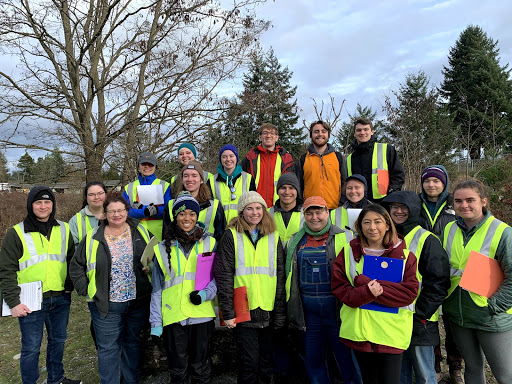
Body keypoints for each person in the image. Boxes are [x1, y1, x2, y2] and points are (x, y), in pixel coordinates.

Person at [0, 186, 80, 384]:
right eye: (38, 202)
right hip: (29, 302)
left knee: (58, 342)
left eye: (47, 202)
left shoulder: (63, 229)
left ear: (53, 204)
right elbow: (6, 270)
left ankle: (56, 379)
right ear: (31, 205)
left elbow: (71, 259)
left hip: (60, 298)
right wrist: (13, 302)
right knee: (31, 348)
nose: (43, 206)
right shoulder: (16, 233)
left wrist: (69, 285)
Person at [70, 192, 152, 384]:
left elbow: (155, 258)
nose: (117, 214)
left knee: (132, 344)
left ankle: (130, 380)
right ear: (104, 214)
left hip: (137, 302)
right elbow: (76, 265)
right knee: (108, 348)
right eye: (112, 211)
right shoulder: (93, 237)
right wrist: (87, 290)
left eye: (121, 210)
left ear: (127, 211)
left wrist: (151, 270)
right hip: (106, 305)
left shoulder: (141, 230)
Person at [332, 204, 419, 384]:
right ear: (360, 226)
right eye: (367, 222)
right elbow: (340, 289)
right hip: (359, 333)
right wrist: (366, 292)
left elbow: (408, 294)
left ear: (388, 224)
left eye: (378, 222)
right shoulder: (348, 252)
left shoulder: (405, 256)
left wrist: (362, 282)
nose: (372, 227)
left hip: (391, 334)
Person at [441, 179, 512, 384]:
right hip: (459, 315)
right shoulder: (449, 230)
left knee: (505, 375)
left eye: (470, 200)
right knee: (472, 369)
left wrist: (494, 306)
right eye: (458, 201)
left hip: (491, 316)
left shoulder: (502, 232)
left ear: (483, 201)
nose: (464, 205)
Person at [286, 196, 361, 384]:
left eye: (319, 212)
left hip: (339, 311)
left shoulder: (347, 237)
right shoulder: (294, 241)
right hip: (308, 313)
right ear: (304, 216)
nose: (314, 217)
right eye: (309, 213)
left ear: (327, 213)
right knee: (313, 359)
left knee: (347, 359)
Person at [214, 191, 286, 384]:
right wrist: (227, 312)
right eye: (249, 208)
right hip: (244, 310)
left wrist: (280, 314)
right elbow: (224, 275)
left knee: (265, 364)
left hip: (268, 309)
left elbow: (279, 277)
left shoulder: (274, 236)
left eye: (258, 208)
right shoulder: (231, 236)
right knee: (248, 364)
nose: (255, 212)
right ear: (241, 212)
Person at [381, 191, 450, 384]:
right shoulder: (386, 237)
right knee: (399, 372)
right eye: (394, 207)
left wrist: (421, 312)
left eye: (404, 207)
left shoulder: (427, 240)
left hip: (419, 319)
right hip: (392, 318)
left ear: (414, 209)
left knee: (424, 373)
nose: (398, 211)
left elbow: (438, 281)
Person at [150, 193, 217, 383]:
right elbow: (157, 289)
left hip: (201, 314)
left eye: (191, 214)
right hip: (174, 317)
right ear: (175, 217)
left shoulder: (210, 243)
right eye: (181, 214)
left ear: (197, 217)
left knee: (200, 367)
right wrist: (155, 324)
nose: (187, 218)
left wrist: (206, 294)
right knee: (178, 369)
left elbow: (218, 278)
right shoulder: (162, 248)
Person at [418, 165, 462, 383]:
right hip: (426, 272)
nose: (431, 185)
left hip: (453, 273)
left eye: (436, 181)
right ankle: (435, 364)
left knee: (453, 326)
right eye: (427, 181)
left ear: (444, 183)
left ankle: (455, 367)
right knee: (430, 321)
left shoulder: (456, 204)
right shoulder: (416, 204)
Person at [164, 160, 226, 242]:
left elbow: (221, 237)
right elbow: (166, 237)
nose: (190, 179)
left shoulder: (214, 205)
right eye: (186, 176)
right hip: (178, 254)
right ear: (182, 180)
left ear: (201, 180)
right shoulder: (171, 205)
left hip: (207, 253)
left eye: (194, 175)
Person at [346, 118, 405, 202]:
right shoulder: (350, 158)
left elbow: (398, 176)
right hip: (358, 204)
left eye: (366, 129)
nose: (362, 133)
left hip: (383, 202)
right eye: (359, 130)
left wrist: (391, 196)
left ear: (372, 132)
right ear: (354, 133)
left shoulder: (386, 149)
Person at [241, 123, 295, 208]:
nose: (268, 135)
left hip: (278, 207)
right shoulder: (250, 158)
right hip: (255, 208)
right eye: (265, 133)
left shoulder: (286, 159)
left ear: (277, 137)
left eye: (272, 133)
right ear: (260, 137)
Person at [296, 120, 346, 209]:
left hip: (335, 208)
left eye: (324, 131)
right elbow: (299, 186)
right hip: (311, 209)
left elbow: (345, 183)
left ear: (328, 135)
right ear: (311, 135)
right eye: (316, 131)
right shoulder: (303, 159)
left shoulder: (338, 157)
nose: (320, 134)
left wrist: (342, 202)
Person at [123, 151, 171, 241]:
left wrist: (155, 210)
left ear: (156, 167)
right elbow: (124, 212)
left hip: (160, 233)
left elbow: (168, 210)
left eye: (151, 164)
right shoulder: (128, 187)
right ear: (138, 166)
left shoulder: (165, 185)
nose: (147, 166)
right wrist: (144, 212)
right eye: (143, 164)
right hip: (135, 232)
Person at [208, 144, 256, 224]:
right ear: (220, 159)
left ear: (236, 158)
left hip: (243, 226)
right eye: (224, 157)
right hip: (220, 228)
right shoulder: (212, 181)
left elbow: (253, 203)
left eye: (231, 156)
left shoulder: (248, 178)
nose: (228, 159)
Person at [268, 172, 304, 247]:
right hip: (274, 258)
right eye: (283, 188)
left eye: (291, 188)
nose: (287, 192)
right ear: (277, 191)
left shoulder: (306, 214)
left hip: (296, 258)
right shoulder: (267, 213)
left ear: (297, 191)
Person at [69, 181, 107, 247]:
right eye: (91, 194)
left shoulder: (116, 216)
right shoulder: (75, 221)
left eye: (100, 193)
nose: (96, 197)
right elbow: (72, 250)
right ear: (86, 197)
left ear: (106, 194)